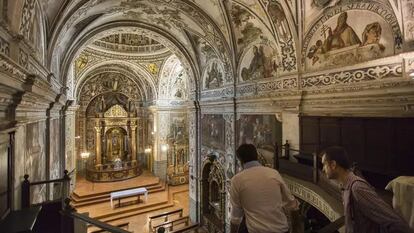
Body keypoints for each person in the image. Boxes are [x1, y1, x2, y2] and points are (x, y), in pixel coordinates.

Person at [320, 146, 414, 233]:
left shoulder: (357, 188)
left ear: (333, 164)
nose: (323, 169)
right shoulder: (346, 186)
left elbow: (395, 222)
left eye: (324, 164)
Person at [230, 144, 299, 233]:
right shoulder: (274, 173)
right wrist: (296, 230)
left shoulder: (237, 180)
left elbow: (236, 216)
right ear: (257, 156)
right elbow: (292, 205)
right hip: (281, 229)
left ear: (240, 160)